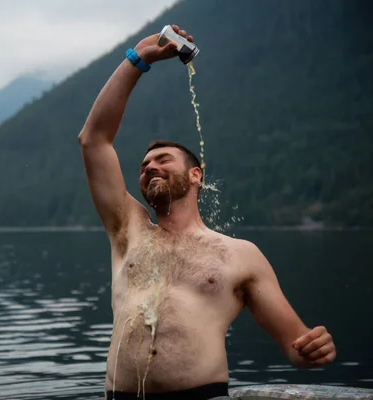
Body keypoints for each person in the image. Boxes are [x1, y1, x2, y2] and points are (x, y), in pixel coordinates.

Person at [77, 24, 336, 400]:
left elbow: (295, 344)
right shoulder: (128, 229)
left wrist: (313, 349)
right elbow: (94, 140)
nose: (149, 167)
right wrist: (138, 58)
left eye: (162, 160)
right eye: (144, 165)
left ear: (195, 175)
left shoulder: (239, 255)